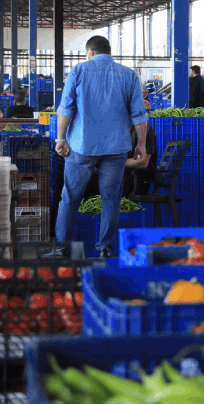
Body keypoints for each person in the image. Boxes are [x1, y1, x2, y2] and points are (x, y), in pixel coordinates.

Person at [52, 35, 147, 258]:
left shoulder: (78, 71)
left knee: (70, 197)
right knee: (111, 199)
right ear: (109, 51)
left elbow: (65, 109)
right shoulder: (129, 74)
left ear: (90, 52)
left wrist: (60, 139)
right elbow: (139, 115)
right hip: (116, 149)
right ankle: (105, 247)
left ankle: (61, 248)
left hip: (82, 148)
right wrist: (141, 144)